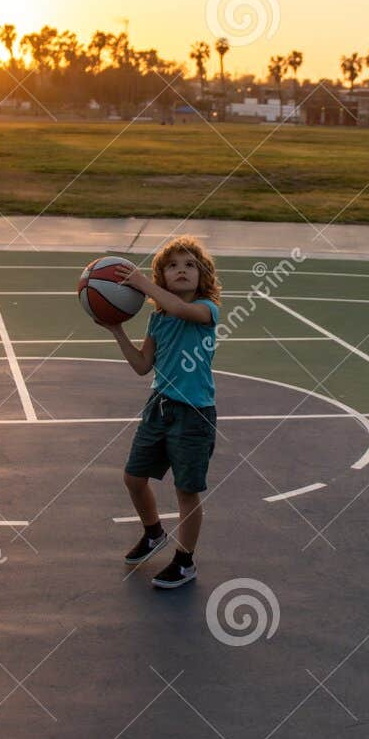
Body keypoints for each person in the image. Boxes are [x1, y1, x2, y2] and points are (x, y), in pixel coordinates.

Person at [104, 238, 221, 589]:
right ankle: (154, 532)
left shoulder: (206, 310)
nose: (181, 269)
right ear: (163, 277)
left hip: (194, 414)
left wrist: (143, 283)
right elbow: (142, 366)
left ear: (202, 277)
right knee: (133, 478)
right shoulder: (157, 320)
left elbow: (182, 310)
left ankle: (185, 562)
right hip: (159, 407)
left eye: (189, 265)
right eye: (172, 266)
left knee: (186, 491)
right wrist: (117, 330)